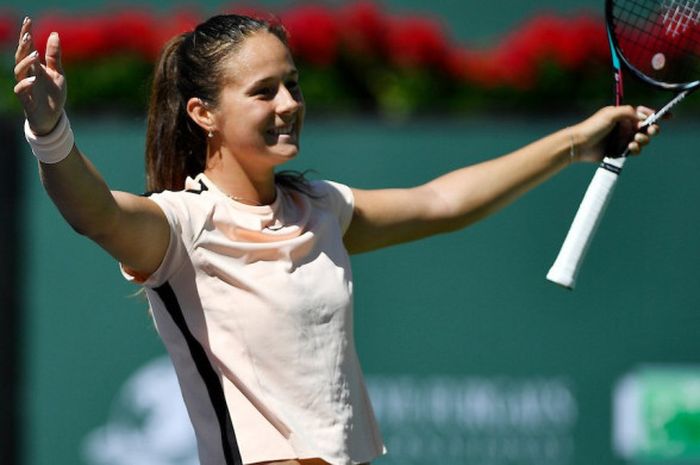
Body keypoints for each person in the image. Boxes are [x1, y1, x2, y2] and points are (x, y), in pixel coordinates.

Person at [13, 13, 658, 465]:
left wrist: (577, 143)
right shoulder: (181, 226)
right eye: (263, 92)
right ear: (203, 113)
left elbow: (444, 202)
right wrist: (50, 131)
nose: (289, 103)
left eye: (292, 83)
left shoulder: (320, 207)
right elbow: (93, 212)